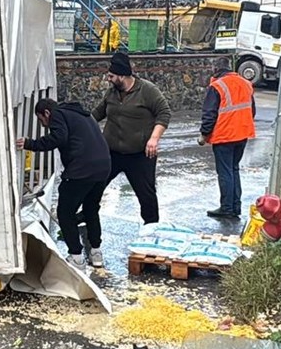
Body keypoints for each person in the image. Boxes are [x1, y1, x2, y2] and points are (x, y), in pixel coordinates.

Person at [16, 98, 111, 269]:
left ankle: (76, 256)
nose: (44, 124)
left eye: (41, 120)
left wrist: (30, 144)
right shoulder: (83, 115)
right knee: (91, 210)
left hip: (81, 170)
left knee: (65, 213)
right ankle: (96, 253)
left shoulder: (58, 114)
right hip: (103, 168)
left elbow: (58, 138)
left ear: (46, 113)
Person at [92, 51, 171, 225]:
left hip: (139, 155)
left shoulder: (147, 90)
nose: (108, 79)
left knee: (146, 194)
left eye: (111, 76)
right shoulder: (111, 93)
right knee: (94, 186)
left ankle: (151, 228)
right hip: (111, 153)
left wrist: (154, 139)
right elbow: (97, 113)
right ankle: (87, 218)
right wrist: (81, 125)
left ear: (122, 75)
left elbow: (164, 113)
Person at [198, 57, 256, 219]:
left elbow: (209, 114)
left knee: (225, 172)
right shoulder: (245, 83)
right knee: (234, 169)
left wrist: (204, 134)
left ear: (215, 69)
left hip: (225, 135)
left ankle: (227, 208)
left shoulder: (217, 86)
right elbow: (252, 111)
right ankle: (235, 206)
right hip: (242, 134)